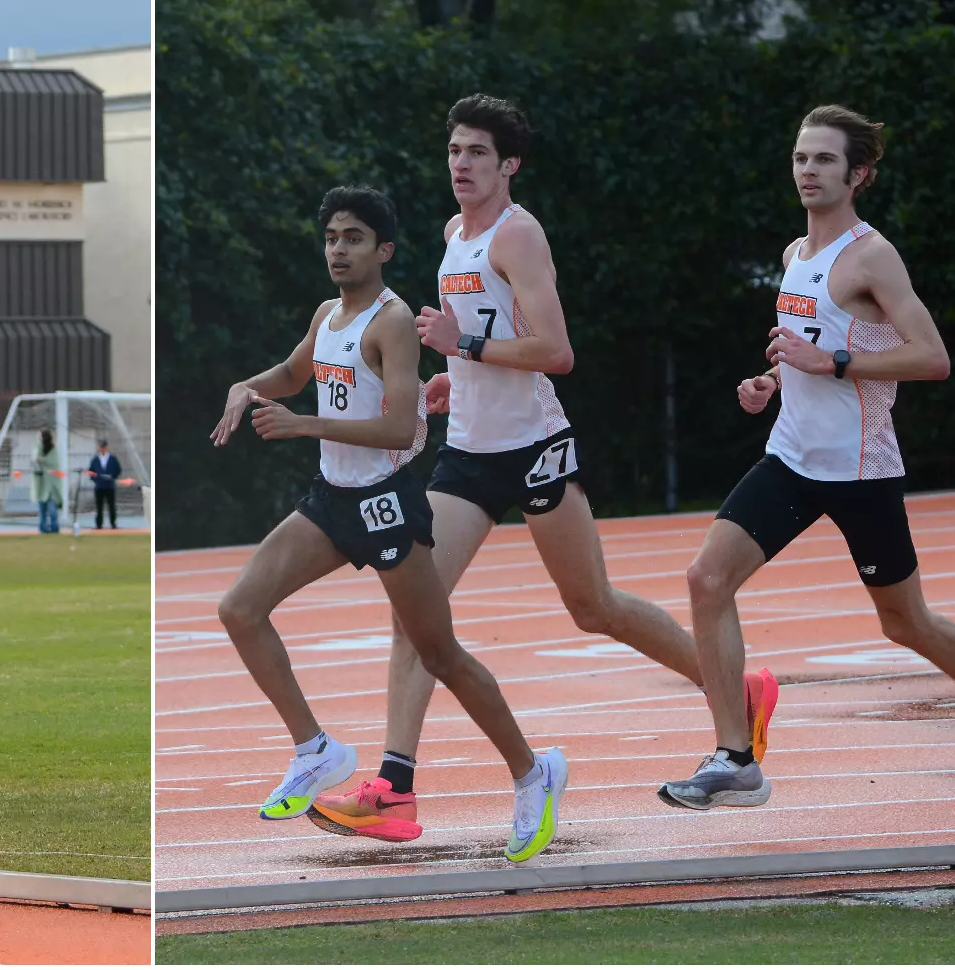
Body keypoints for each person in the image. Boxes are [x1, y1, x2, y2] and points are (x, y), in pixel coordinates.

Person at [311, 95, 776, 843]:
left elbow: (556, 351)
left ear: (509, 166)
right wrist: (450, 381)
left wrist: (462, 349)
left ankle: (731, 687)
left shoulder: (518, 236)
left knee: (592, 607)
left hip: (532, 449)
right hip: (466, 452)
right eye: (454, 151)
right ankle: (394, 787)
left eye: (477, 154)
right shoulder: (451, 233)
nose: (461, 164)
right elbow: (483, 339)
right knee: (414, 608)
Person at [658, 105, 955, 810]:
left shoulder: (872, 255)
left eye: (824, 160)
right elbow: (804, 346)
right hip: (791, 457)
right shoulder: (797, 255)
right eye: (800, 158)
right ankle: (736, 758)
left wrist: (832, 361)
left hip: (859, 469)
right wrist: (772, 380)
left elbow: (931, 357)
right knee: (706, 579)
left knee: (904, 621)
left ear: (859, 175)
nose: (808, 171)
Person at [209, 185, 565, 863]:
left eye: (353, 239)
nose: (338, 250)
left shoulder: (392, 320)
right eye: (331, 238)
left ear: (384, 250)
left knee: (439, 654)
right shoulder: (328, 314)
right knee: (240, 608)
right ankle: (316, 748)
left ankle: (532, 771)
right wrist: (245, 386)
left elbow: (403, 425)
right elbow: (292, 371)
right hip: (332, 499)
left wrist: (302, 424)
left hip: (385, 503)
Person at [31, 428, 63, 534]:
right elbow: (35, 459)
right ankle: (43, 527)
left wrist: (43, 460)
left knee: (53, 509)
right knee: (42, 509)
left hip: (52, 485)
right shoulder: (38, 447)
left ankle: (54, 527)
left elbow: (54, 463)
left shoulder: (53, 449)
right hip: (42, 484)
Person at [87, 438, 121, 529]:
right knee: (99, 506)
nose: (102, 449)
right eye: (101, 447)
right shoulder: (95, 459)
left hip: (110, 486)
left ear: (106, 447)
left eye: (104, 447)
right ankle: (99, 524)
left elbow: (118, 469)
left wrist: (112, 477)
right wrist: (96, 480)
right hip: (99, 486)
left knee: (111, 506)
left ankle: (113, 523)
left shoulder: (112, 458)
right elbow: (91, 471)